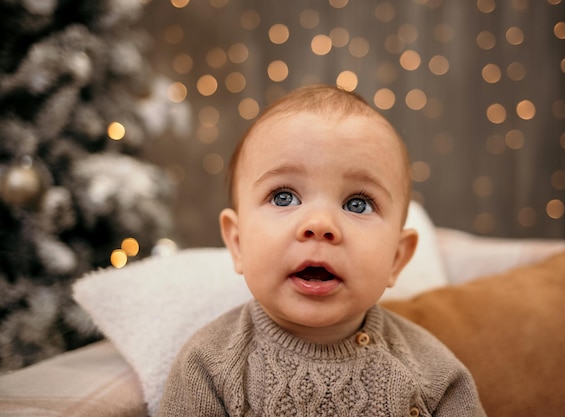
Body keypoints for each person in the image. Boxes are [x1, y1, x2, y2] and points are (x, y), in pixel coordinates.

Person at [157, 85, 486, 416]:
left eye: (357, 203)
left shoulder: (434, 374)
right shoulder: (207, 368)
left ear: (396, 258)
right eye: (284, 197)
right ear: (238, 243)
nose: (319, 224)